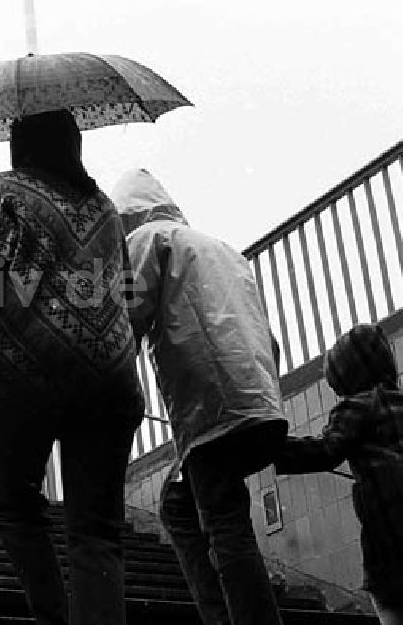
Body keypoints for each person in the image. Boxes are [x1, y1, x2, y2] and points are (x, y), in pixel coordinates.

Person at [0, 110, 145, 625]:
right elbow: (129, 294)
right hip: (111, 380)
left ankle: (52, 618)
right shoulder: (105, 210)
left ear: (18, 145)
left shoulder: (1, 194)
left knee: (17, 506)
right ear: (73, 145)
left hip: (27, 371)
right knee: (98, 530)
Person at [112, 168, 289, 625]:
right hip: (256, 395)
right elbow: (267, 335)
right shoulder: (221, 249)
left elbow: (124, 322)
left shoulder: (147, 240)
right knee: (178, 503)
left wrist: (106, 383)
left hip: (212, 404)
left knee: (224, 519)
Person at [275, 324, 403, 624]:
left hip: (390, 534)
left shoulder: (357, 407)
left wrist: (271, 448)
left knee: (390, 605)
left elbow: (326, 450)